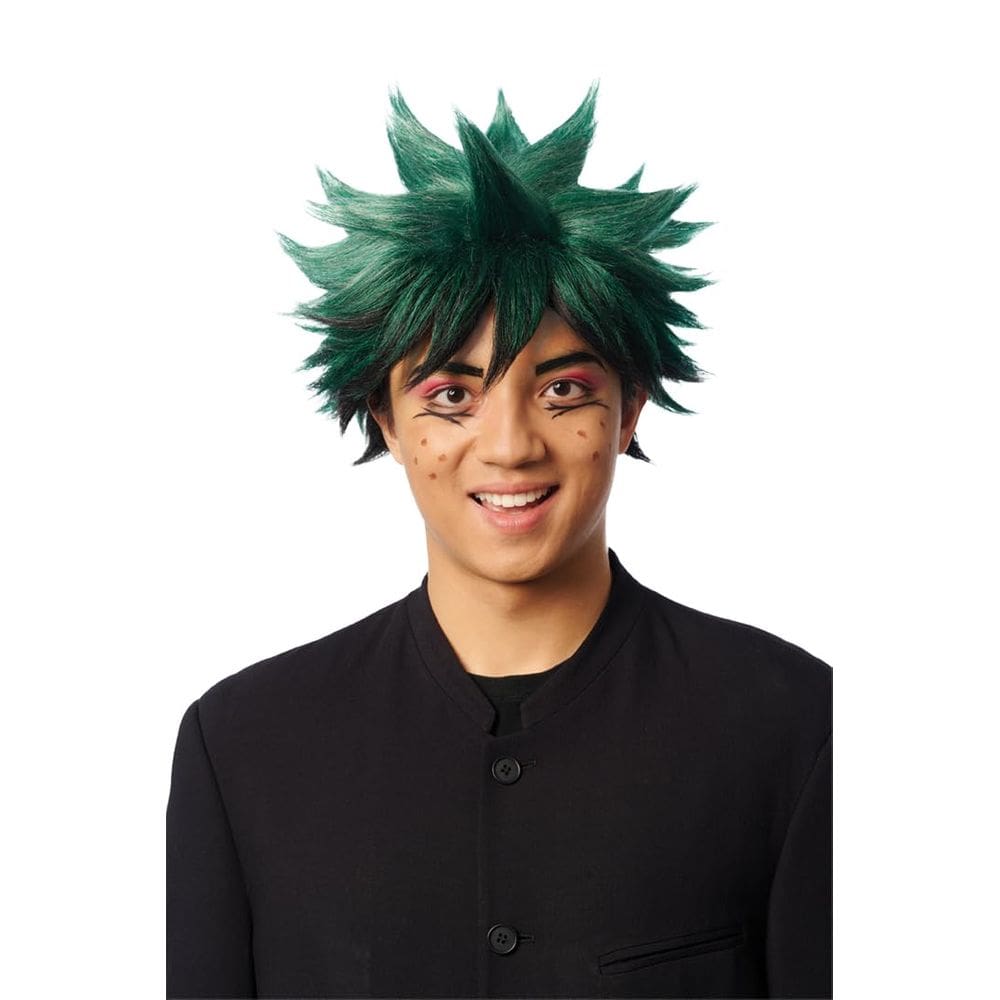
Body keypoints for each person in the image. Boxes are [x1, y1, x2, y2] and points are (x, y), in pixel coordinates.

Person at [166, 83, 832, 999]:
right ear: (387, 421)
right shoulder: (244, 745)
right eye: (452, 396)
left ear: (630, 409)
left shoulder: (792, 723)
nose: (511, 446)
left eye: (563, 391)